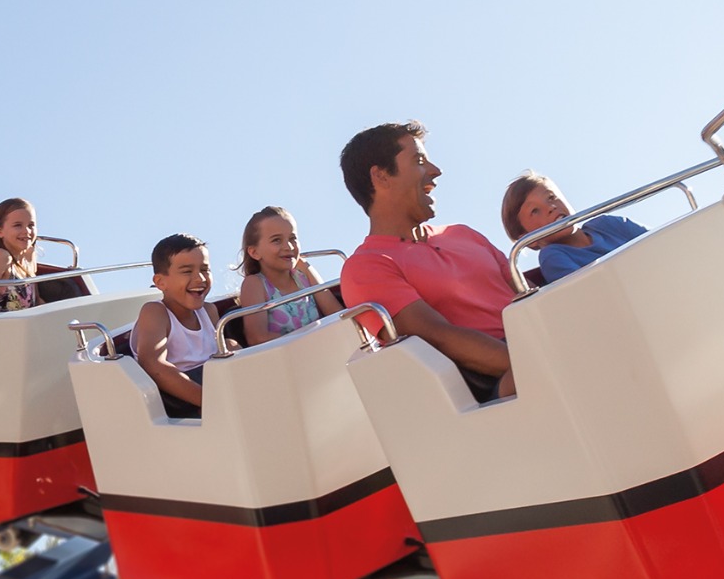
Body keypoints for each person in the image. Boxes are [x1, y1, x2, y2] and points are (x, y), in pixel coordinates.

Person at [336, 122, 515, 402]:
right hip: (499, 385)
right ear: (381, 176)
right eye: (419, 161)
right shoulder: (365, 267)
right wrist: (539, 358)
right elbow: (437, 337)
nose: (435, 171)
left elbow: (530, 295)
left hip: (540, 343)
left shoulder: (464, 234)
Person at [130, 234, 229, 414]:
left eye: (205, 269)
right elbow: (154, 365)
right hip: (183, 400)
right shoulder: (155, 312)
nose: (200, 278)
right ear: (161, 282)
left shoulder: (208, 311)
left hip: (217, 384)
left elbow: (222, 350)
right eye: (187, 271)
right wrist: (210, 401)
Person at [501, 173, 645, 285]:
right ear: (528, 239)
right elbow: (586, 292)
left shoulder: (607, 224)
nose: (551, 207)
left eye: (551, 197)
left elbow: (659, 243)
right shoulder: (553, 255)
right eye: (535, 211)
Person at [232, 206, 333, 344]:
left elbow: (335, 312)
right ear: (254, 252)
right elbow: (257, 338)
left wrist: (306, 267)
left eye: (292, 238)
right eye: (277, 240)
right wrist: (308, 341)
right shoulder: (255, 283)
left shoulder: (303, 274)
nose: (289, 247)